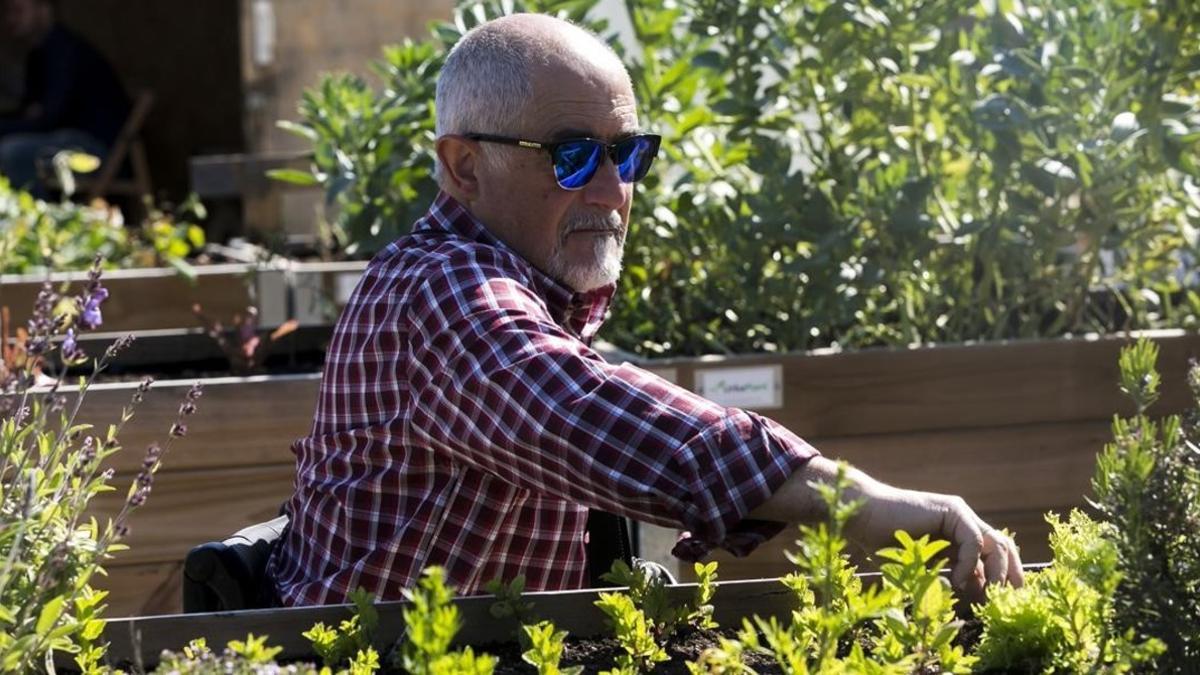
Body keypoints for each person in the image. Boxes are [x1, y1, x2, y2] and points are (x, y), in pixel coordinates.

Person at [268, 13, 1024, 607]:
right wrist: (859, 503)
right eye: (569, 154)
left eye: (627, 153)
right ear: (465, 166)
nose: (609, 189)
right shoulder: (437, 292)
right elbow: (580, 410)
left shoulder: (536, 290)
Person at [0, 0, 131, 193]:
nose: (10, 20)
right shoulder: (37, 56)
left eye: (18, 11)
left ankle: (38, 218)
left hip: (94, 150)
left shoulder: (66, 51)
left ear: (44, 10)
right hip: (57, 141)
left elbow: (48, 118)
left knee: (13, 152)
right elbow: (29, 114)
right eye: (7, 12)